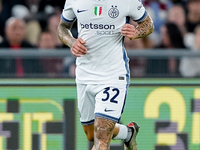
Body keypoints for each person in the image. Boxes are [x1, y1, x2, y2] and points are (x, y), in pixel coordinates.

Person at [58, 0, 154, 149]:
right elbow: (63, 27)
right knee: (91, 134)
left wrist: (136, 32)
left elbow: (148, 24)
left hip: (113, 75)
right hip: (84, 74)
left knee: (101, 136)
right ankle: (128, 133)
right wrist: (71, 42)